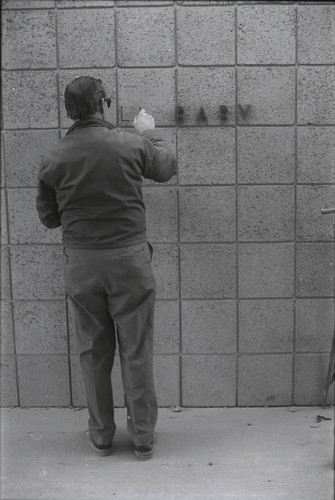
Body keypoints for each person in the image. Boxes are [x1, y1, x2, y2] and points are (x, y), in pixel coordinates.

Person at [36, 76, 177, 459]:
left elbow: (49, 218)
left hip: (81, 264)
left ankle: (101, 436)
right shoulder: (131, 144)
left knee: (93, 351)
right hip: (129, 261)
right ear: (103, 104)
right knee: (136, 349)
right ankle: (143, 437)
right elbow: (166, 168)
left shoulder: (53, 157)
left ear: (70, 111)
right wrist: (151, 134)